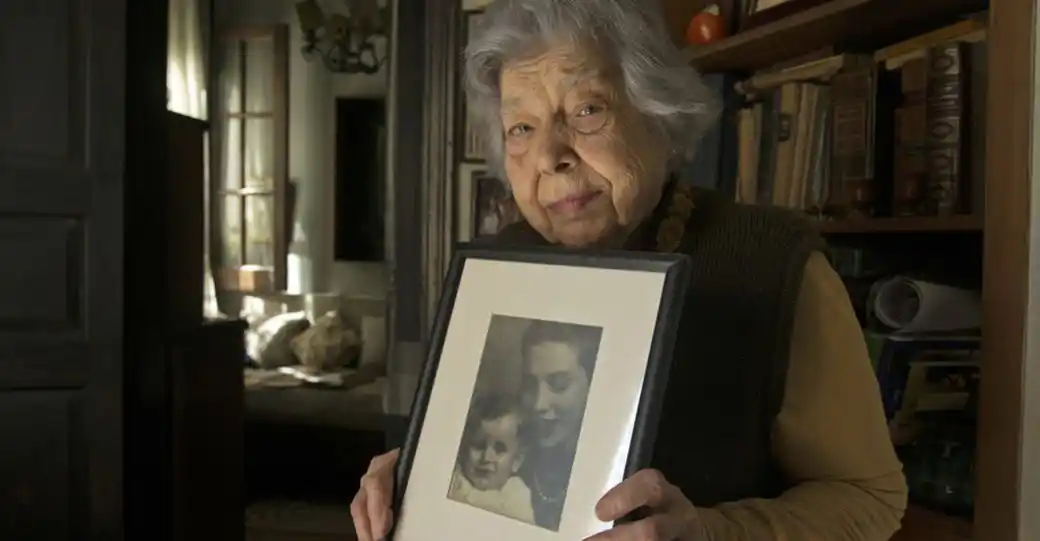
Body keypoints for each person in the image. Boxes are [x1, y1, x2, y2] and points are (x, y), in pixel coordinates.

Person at [352, 0, 907, 539]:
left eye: (588, 110)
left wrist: (713, 534)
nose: (550, 155)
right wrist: (421, 478)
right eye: (521, 128)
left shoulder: (771, 262)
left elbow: (868, 497)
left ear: (657, 111)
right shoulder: (504, 264)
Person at [515, 320, 601, 530]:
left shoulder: (608, 471)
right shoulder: (509, 460)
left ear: (592, 384)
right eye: (530, 384)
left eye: (559, 384)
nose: (538, 404)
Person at [447, 394, 535, 524]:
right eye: (478, 445)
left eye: (499, 449)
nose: (486, 457)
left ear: (516, 461)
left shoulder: (517, 497)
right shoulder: (454, 481)